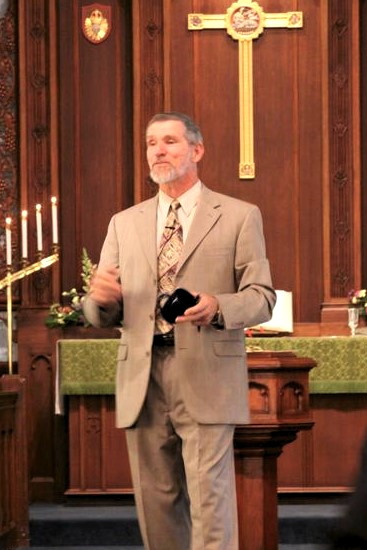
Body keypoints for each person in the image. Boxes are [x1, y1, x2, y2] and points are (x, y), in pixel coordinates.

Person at [83, 111, 276, 550]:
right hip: (143, 375)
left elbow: (262, 297)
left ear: (197, 150)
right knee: (157, 503)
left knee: (210, 501)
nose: (158, 151)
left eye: (170, 141)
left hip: (206, 370)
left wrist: (217, 305)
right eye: (151, 143)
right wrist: (100, 300)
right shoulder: (124, 222)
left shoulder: (239, 216)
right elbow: (102, 313)